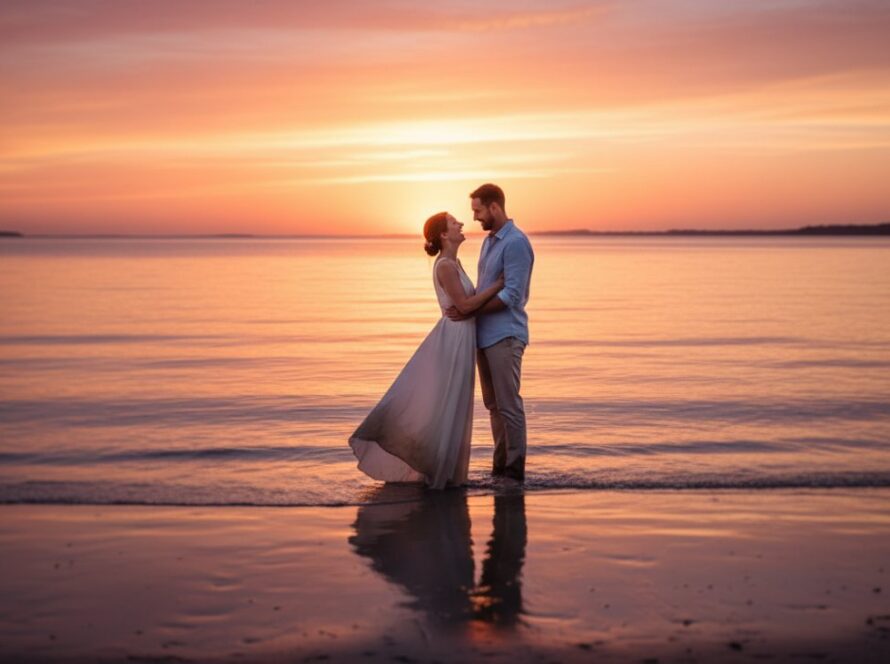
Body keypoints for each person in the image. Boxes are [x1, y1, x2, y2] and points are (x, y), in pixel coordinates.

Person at [349, 212, 504, 489]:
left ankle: (444, 471)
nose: (460, 224)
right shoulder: (445, 265)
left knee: (452, 406)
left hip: (462, 338)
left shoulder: (455, 262)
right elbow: (466, 307)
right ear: (444, 234)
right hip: (453, 339)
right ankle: (437, 474)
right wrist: (499, 285)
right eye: (454, 223)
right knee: (445, 404)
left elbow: (467, 305)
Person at [447, 183, 534, 481]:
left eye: (478, 210)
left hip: (506, 336)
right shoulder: (490, 242)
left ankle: (515, 470)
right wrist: (471, 312)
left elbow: (512, 295)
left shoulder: (516, 243)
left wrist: (470, 311)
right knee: (494, 407)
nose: (475, 217)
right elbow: (486, 289)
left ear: (494, 207)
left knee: (509, 406)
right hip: (483, 337)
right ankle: (501, 470)